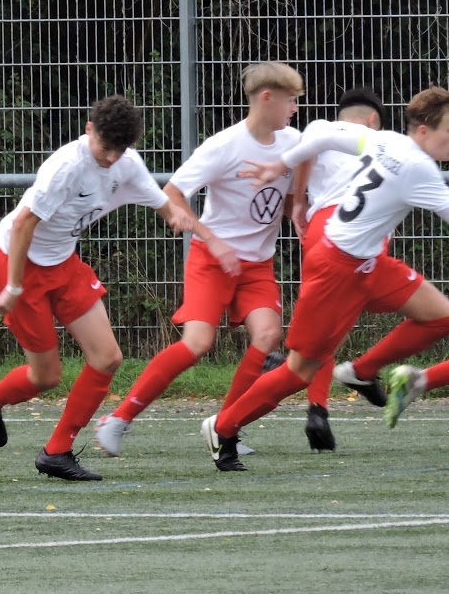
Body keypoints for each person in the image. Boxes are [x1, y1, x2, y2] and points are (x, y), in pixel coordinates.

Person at [202, 86, 449, 471]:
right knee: (300, 371)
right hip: (337, 269)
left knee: (440, 316)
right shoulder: (419, 168)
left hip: (367, 264)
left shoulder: (386, 141)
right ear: (422, 130)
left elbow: (323, 136)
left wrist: (279, 165)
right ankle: (222, 427)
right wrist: (283, 172)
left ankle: (360, 372)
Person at [0, 95, 205, 480]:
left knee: (107, 358)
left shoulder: (126, 163)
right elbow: (23, 223)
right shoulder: (66, 167)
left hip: (64, 264)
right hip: (21, 263)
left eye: (120, 150)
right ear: (89, 129)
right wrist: (14, 287)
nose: (111, 157)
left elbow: (162, 203)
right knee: (46, 377)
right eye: (105, 147)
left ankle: (56, 452)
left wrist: (181, 219)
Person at [93, 62, 304, 458]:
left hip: (257, 265)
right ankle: (118, 418)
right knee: (197, 343)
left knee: (267, 337)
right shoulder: (224, 146)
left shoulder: (293, 142)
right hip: (212, 261)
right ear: (267, 98)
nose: (295, 108)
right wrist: (214, 241)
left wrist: (299, 216)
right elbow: (172, 194)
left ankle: (225, 427)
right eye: (291, 100)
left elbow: (292, 194)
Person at [279, 87, 386, 451]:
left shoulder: (319, 129)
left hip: (321, 231)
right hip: (363, 236)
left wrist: (298, 202)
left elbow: (304, 156)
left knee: (323, 325)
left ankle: (317, 406)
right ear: (372, 119)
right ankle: (362, 371)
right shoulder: (380, 141)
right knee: (429, 311)